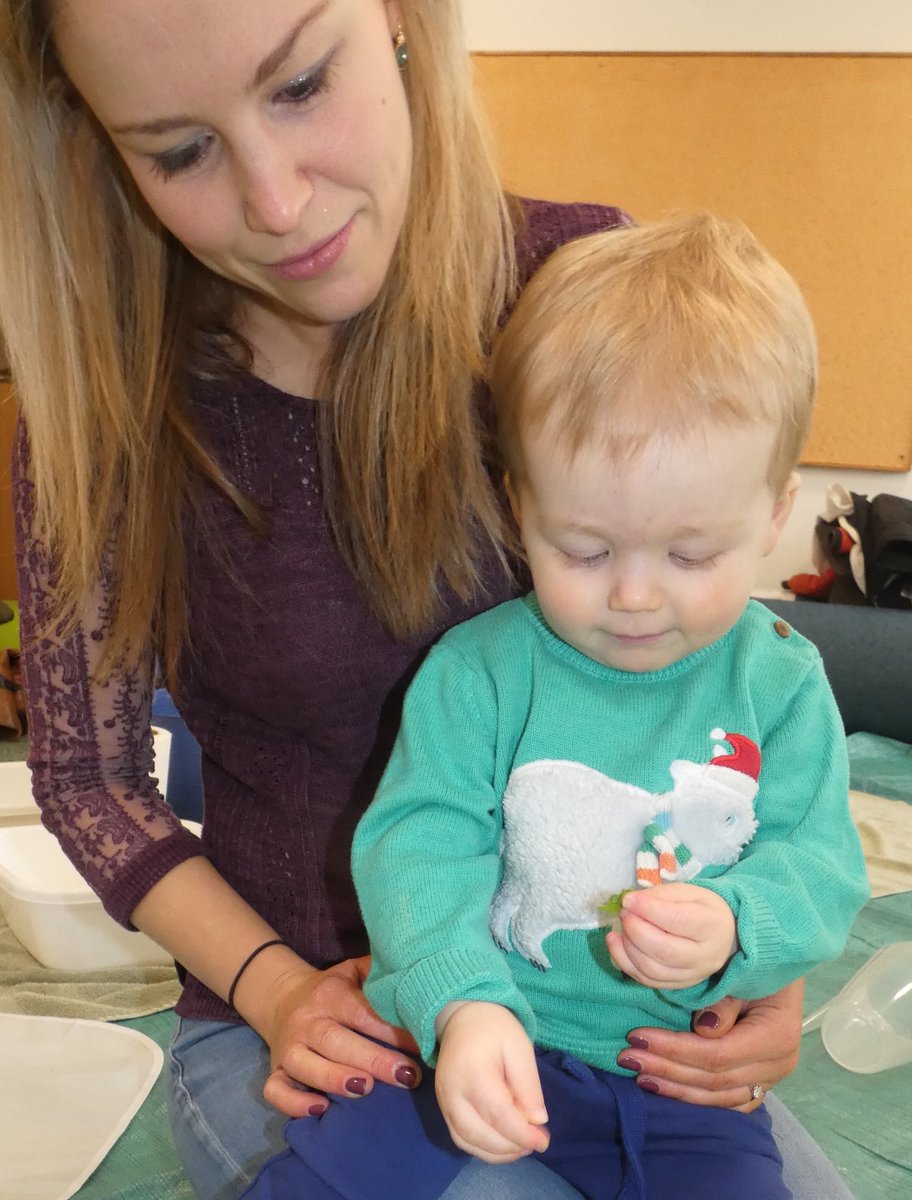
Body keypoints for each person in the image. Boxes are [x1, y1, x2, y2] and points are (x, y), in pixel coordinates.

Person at [0, 2, 859, 1198]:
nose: (277, 203)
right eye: (180, 150)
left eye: (302, 83)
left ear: (402, 20)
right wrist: (277, 990)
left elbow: (752, 766)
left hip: (610, 1028)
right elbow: (90, 780)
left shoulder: (575, 291)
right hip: (310, 1016)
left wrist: (758, 960)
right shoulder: (107, 399)